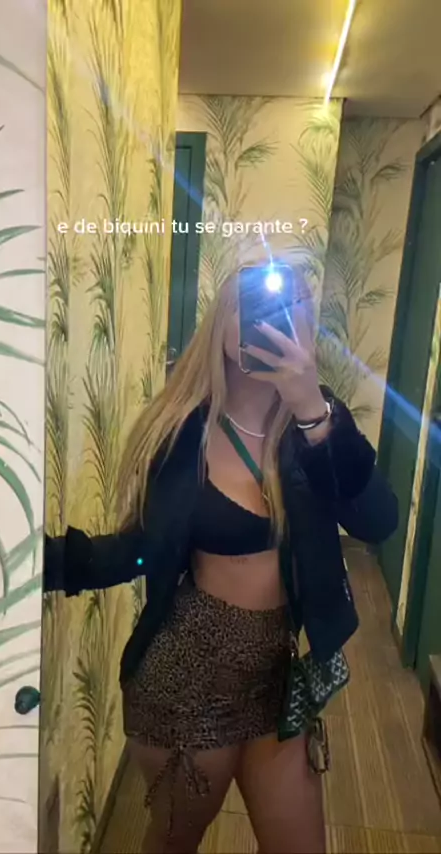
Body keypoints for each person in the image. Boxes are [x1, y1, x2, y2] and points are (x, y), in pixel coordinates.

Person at [44, 264, 398, 854]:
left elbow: (377, 521)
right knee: (173, 843)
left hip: (275, 677)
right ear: (222, 326)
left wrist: (311, 410)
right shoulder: (183, 432)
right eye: (249, 305)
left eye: (288, 304)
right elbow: (142, 550)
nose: (269, 318)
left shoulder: (318, 418)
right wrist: (47, 563)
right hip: (187, 675)